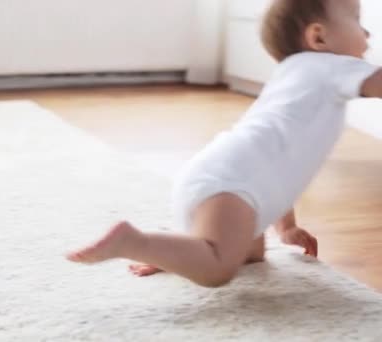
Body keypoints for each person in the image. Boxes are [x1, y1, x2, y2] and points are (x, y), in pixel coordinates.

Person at [66, 0, 382, 287]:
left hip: (227, 176)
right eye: (356, 19)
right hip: (231, 184)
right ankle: (135, 242)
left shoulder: (294, 76)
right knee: (219, 268)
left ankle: (176, 251)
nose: (367, 32)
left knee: (250, 254)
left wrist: (286, 227)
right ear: (319, 37)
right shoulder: (331, 65)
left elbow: (283, 162)